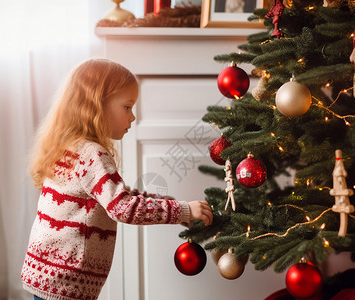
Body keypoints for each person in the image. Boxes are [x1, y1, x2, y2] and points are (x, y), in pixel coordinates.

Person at [21, 58, 213, 300]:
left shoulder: (68, 146)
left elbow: (121, 196)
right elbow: (122, 207)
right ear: (97, 106)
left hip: (46, 272)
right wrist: (181, 210)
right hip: (67, 281)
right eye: (127, 107)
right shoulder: (91, 154)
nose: (132, 117)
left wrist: (178, 209)